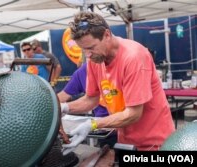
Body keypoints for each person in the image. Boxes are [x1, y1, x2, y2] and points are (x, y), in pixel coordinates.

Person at [61, 11, 175, 154]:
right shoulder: (95, 59)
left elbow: (134, 113)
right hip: (126, 142)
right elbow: (91, 99)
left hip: (155, 144)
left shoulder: (133, 57)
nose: (87, 55)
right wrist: (64, 107)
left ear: (107, 35)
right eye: (83, 50)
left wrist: (93, 124)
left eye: (91, 48)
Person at [58, 63, 117, 148]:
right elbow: (90, 100)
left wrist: (92, 124)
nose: (89, 54)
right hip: (104, 130)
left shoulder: (124, 65)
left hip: (129, 130)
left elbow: (132, 113)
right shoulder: (85, 70)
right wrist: (60, 106)